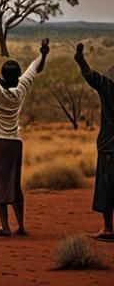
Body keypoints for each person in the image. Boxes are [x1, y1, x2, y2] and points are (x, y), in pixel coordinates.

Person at [0, 39, 48, 237]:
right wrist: (43, 54)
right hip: (15, 142)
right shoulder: (21, 88)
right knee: (14, 183)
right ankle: (21, 225)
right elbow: (34, 67)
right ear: (18, 76)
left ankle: (5, 226)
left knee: (0, 184)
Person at [74, 42, 114, 241]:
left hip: (109, 147)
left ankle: (108, 229)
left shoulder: (109, 88)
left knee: (107, 188)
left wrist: (80, 59)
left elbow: (90, 76)